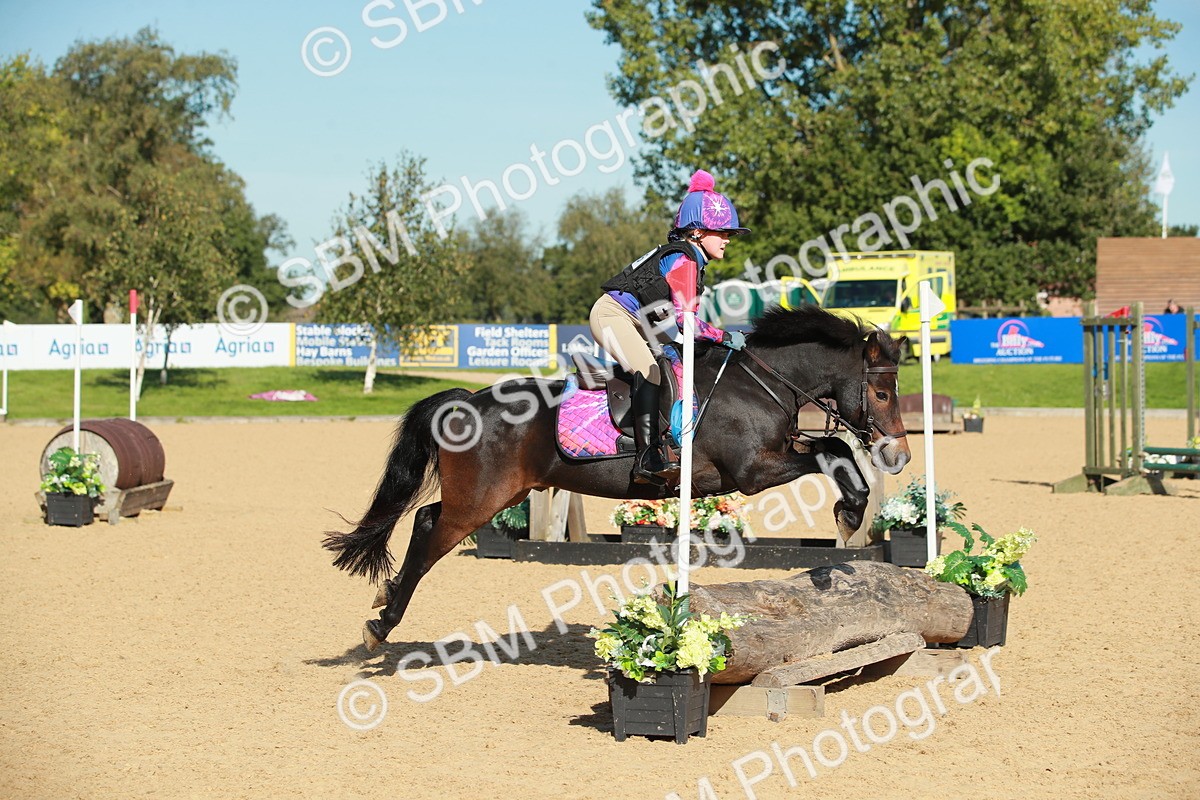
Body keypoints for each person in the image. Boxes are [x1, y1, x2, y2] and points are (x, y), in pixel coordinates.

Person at [589, 169, 749, 485]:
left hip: (638, 322)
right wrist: (725, 336)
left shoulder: (692, 261)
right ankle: (646, 459)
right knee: (648, 370)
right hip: (612, 316)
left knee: (669, 364)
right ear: (698, 233)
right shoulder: (684, 260)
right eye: (723, 232)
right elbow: (686, 323)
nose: (728, 240)